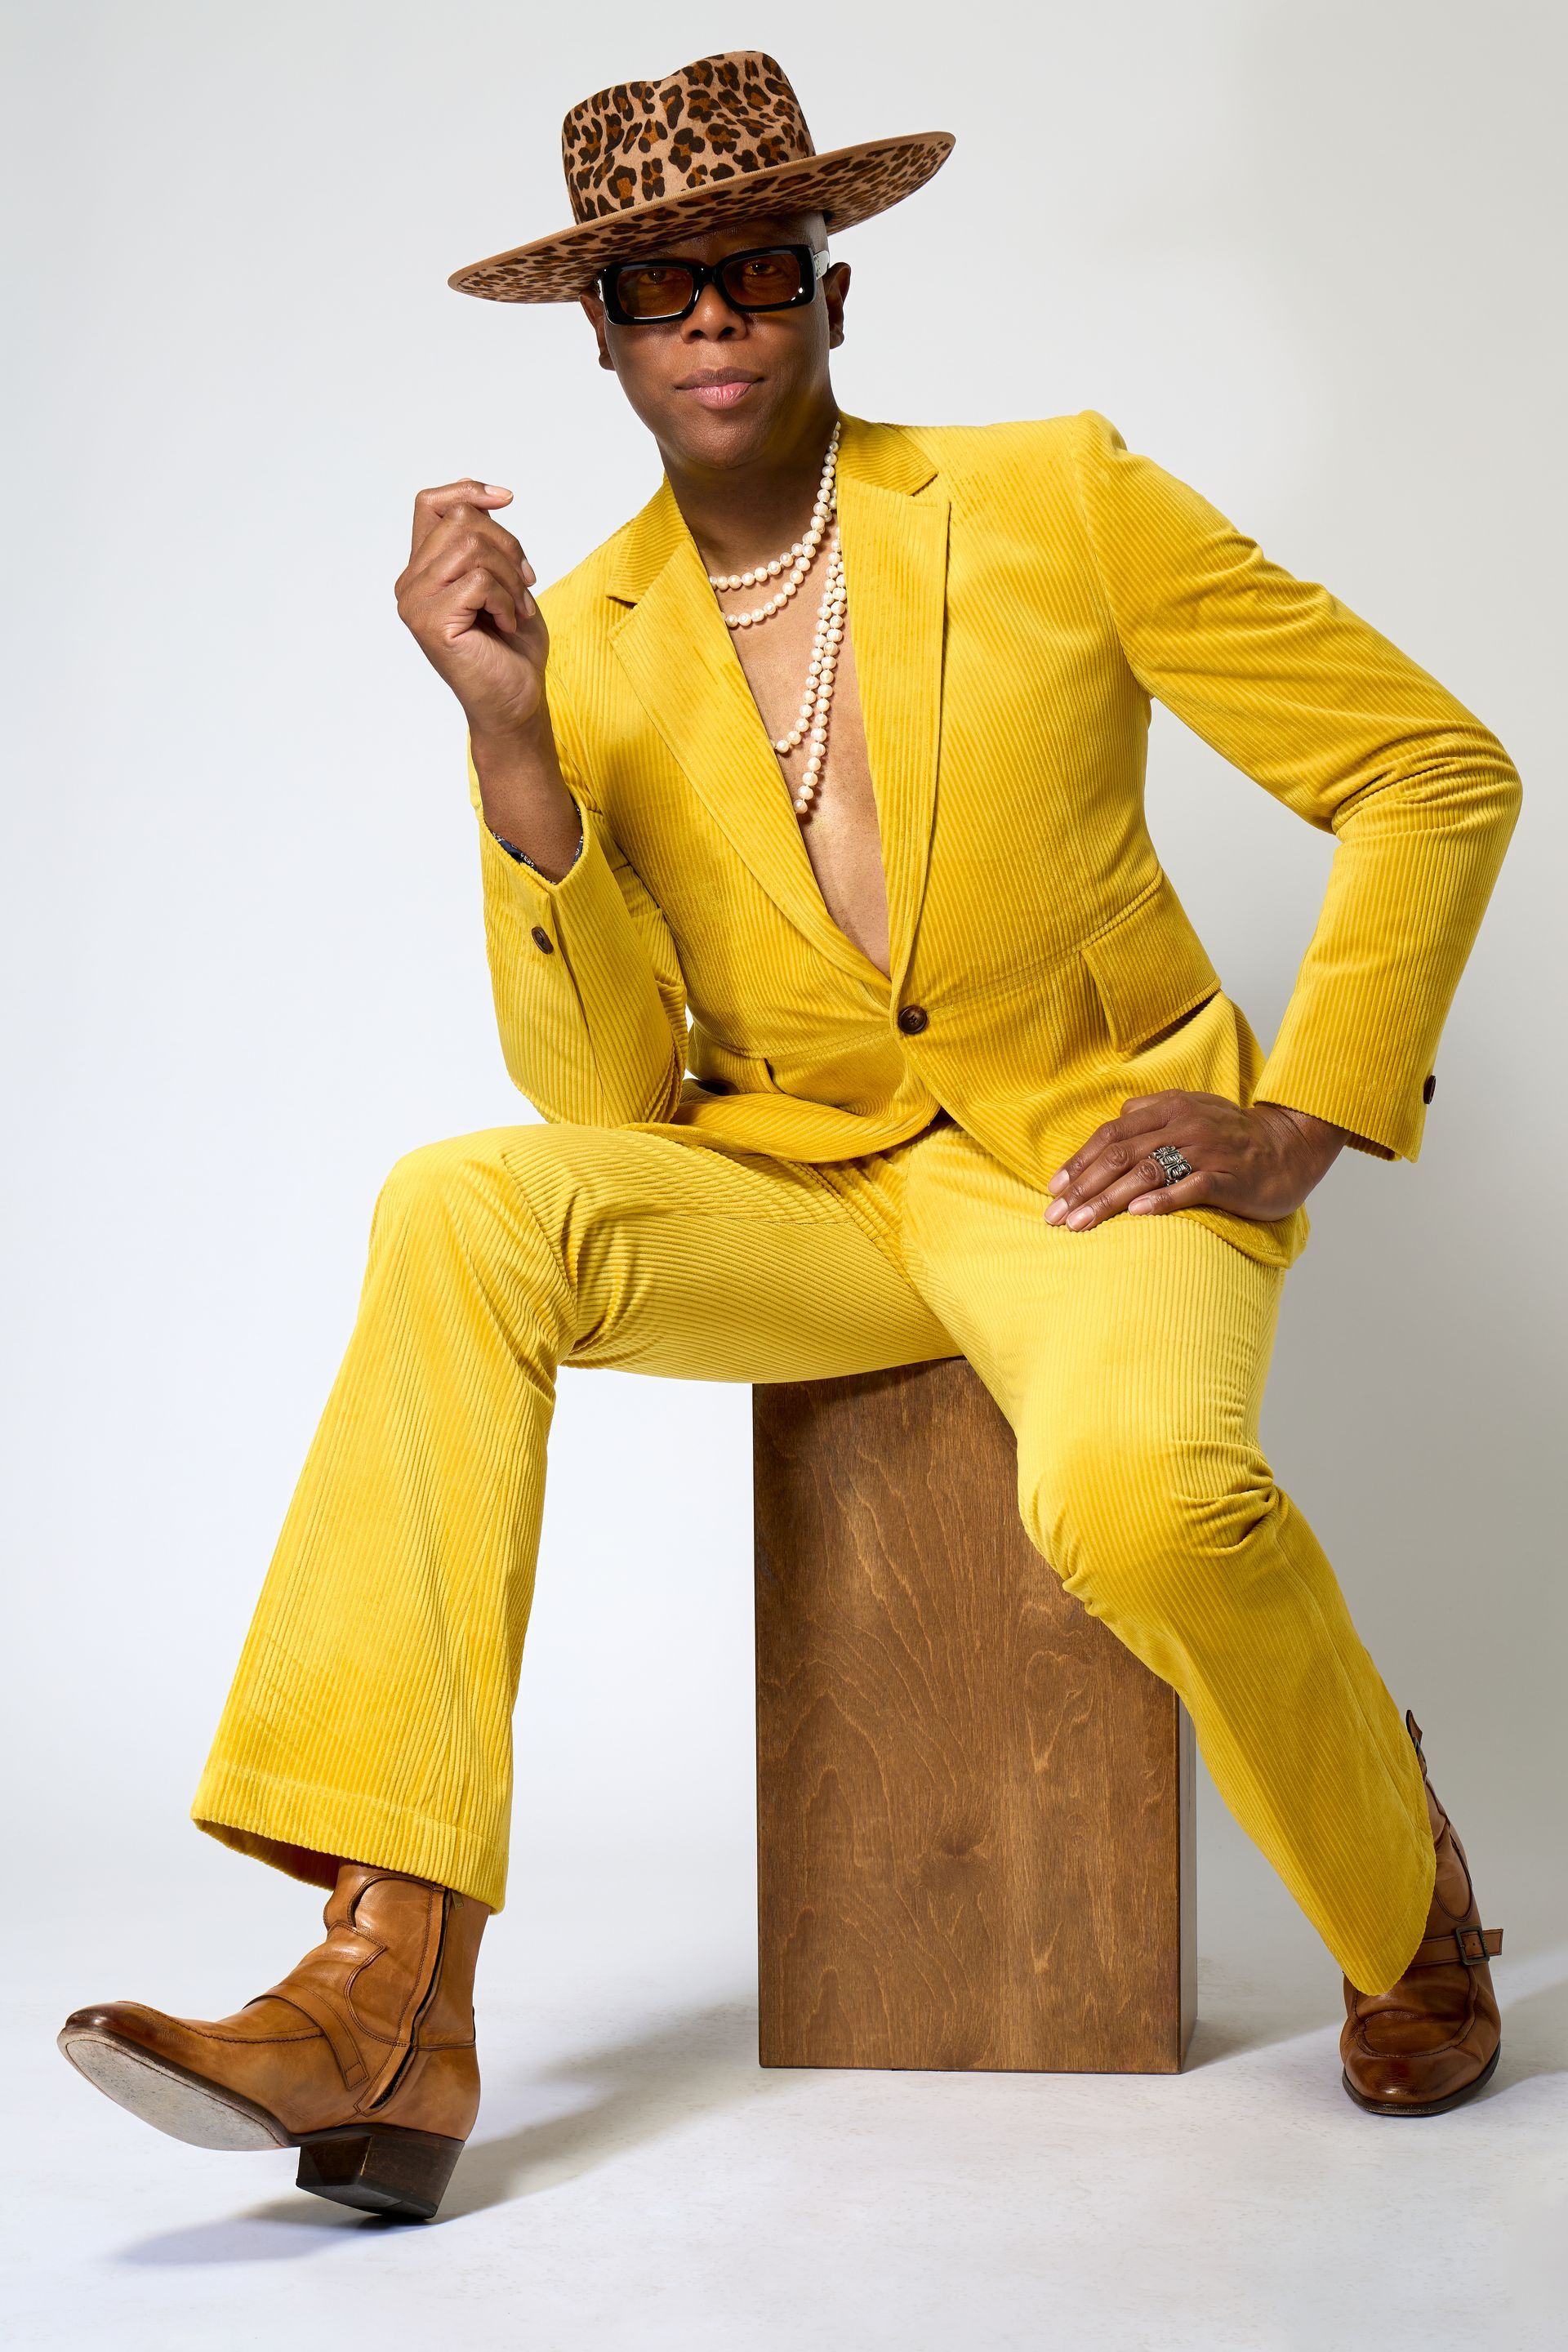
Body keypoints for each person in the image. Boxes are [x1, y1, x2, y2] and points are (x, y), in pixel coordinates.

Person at [58, 50, 1520, 2221]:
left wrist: (1303, 1112)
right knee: (464, 1202)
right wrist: (512, 751)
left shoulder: (1058, 495)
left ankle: (1411, 1918)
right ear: (611, 342)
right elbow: (601, 1106)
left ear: (836, 299)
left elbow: (1430, 763)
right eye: (666, 289)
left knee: (1135, 1494)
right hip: (804, 1187)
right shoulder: (588, 647)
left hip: (1086, 1166)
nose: (719, 318)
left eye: (760, 270)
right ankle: (387, 1983)